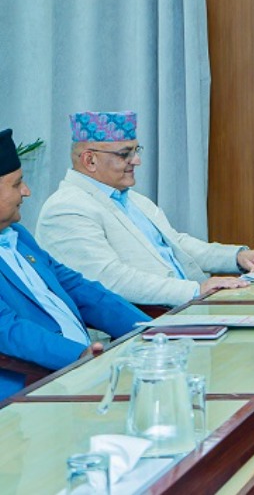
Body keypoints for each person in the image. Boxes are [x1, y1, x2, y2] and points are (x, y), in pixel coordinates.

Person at [37, 111, 254, 307]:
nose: (137, 161)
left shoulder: (132, 199)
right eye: (125, 154)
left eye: (136, 151)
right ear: (90, 160)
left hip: (182, 310)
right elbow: (109, 279)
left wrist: (236, 257)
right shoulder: (66, 209)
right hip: (137, 327)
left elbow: (177, 244)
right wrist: (195, 290)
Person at [0, 128, 149, 401]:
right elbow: (7, 329)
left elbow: (77, 288)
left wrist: (147, 329)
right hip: (34, 388)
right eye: (16, 184)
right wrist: (77, 355)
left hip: (87, 370)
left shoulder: (18, 236)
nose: (26, 191)